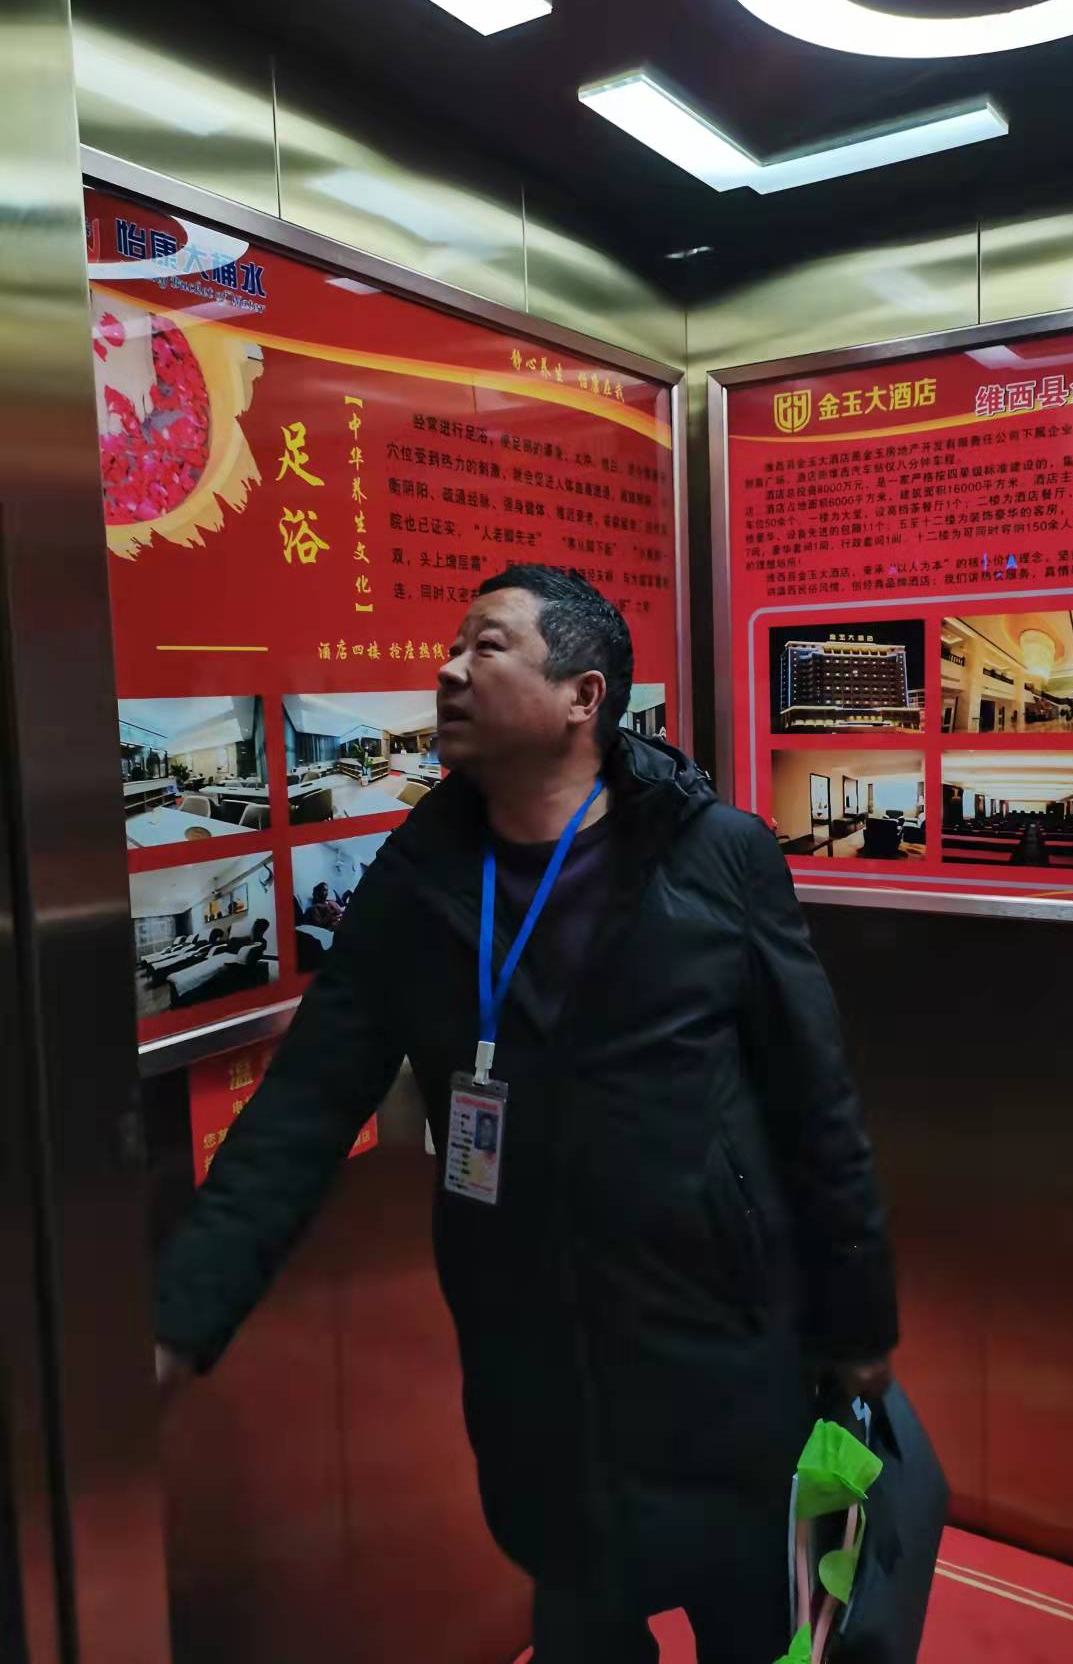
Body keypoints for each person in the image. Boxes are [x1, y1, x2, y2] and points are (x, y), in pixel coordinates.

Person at [153, 565, 898, 1664]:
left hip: (720, 1343)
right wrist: (178, 1317)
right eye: (453, 645)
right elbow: (303, 1104)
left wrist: (858, 1320)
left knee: (757, 1624)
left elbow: (814, 1099)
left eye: (486, 646)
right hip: (533, 1363)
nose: (448, 668)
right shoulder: (419, 879)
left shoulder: (713, 854)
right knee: (582, 1622)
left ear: (581, 696)